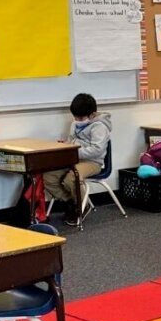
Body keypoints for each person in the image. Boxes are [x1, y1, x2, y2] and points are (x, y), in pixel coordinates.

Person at [43, 94, 111, 226]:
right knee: (48, 177)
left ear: (92, 115)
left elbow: (97, 150)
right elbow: (72, 140)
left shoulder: (100, 127)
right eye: (75, 117)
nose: (77, 120)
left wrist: (74, 152)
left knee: (72, 178)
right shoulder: (75, 123)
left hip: (93, 162)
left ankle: (81, 207)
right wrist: (66, 145)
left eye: (80, 117)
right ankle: (73, 202)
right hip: (74, 159)